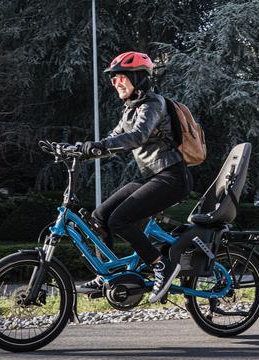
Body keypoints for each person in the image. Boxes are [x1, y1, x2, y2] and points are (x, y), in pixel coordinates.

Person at [79, 51, 192, 303]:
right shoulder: (130, 110)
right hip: (151, 176)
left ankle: (162, 264)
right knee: (100, 217)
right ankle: (108, 274)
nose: (115, 83)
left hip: (170, 177)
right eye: (113, 79)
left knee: (120, 220)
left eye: (120, 77)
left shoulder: (153, 104)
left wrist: (97, 146)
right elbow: (113, 138)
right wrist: (80, 149)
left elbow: (137, 136)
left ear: (138, 78)